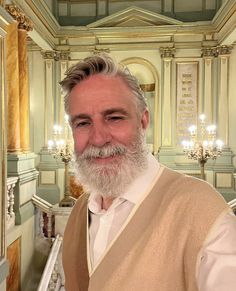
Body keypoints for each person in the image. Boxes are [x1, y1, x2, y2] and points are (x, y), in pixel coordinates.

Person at [60, 54, 236, 291]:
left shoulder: (200, 209)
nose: (98, 138)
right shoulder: (79, 212)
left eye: (114, 118)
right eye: (83, 123)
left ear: (143, 122)